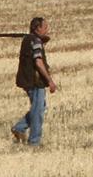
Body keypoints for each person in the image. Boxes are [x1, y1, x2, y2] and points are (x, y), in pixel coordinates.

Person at [11, 17, 57, 146]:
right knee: (38, 112)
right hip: (35, 82)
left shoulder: (28, 40)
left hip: (27, 80)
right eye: (45, 27)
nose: (47, 29)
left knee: (40, 108)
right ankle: (34, 142)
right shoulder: (36, 41)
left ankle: (19, 128)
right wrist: (50, 81)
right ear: (37, 28)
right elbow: (38, 61)